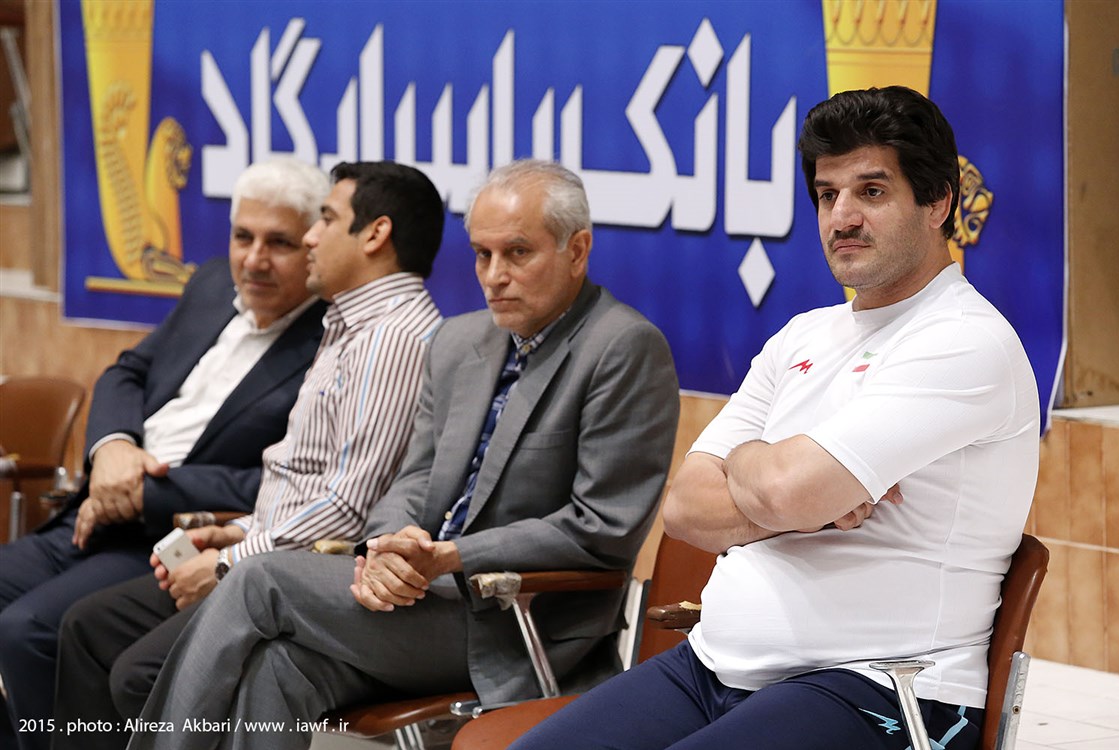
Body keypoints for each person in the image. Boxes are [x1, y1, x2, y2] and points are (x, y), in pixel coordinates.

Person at [511, 86, 1041, 750]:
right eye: (827, 194)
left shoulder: (964, 340)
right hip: (711, 668)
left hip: (882, 687)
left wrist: (761, 472)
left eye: (872, 191)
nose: (842, 217)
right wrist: (799, 495)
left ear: (937, 203)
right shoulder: (803, 336)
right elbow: (686, 508)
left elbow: (790, 490)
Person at [125, 159, 680, 750]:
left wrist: (449, 556)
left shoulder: (622, 347)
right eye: (482, 254)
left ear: (577, 250)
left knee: (259, 578)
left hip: (515, 623)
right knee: (276, 668)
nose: (494, 276)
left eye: (518, 253)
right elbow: (413, 479)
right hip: (418, 595)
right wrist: (387, 546)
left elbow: (601, 526)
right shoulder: (459, 340)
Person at [51, 161, 446, 750]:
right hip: (266, 550)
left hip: (308, 576)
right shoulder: (350, 322)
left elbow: (348, 508)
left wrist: (229, 563)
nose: (311, 237)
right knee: (90, 628)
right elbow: (307, 481)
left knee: (141, 674)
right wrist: (237, 531)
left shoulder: (393, 339)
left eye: (325, 220)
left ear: (375, 235)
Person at [0, 158, 330, 750]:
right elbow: (126, 371)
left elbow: (281, 483)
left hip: (172, 534)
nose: (254, 260)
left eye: (279, 243)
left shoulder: (330, 343)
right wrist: (113, 448)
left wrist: (143, 490)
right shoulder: (212, 285)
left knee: (27, 630)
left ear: (315, 246)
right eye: (243, 237)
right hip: (95, 506)